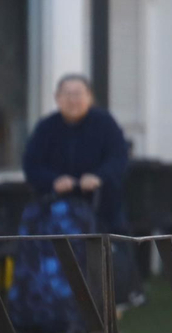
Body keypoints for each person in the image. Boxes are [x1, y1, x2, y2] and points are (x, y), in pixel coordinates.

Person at [22, 74, 129, 233]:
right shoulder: (46, 127)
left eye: (78, 94)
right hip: (55, 210)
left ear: (89, 96)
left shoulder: (105, 123)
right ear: (57, 98)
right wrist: (53, 181)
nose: (73, 100)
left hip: (103, 209)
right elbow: (31, 165)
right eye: (67, 94)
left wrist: (99, 177)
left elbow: (119, 158)